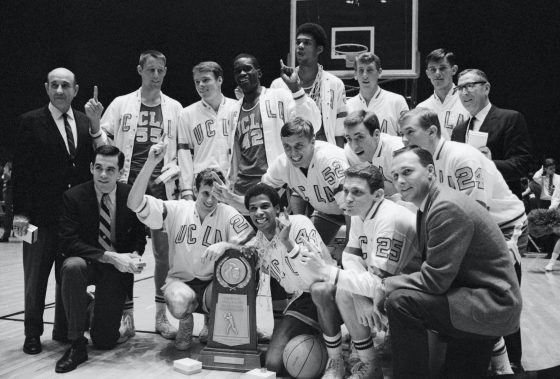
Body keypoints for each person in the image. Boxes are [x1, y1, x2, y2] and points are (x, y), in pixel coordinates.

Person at [370, 146, 520, 378]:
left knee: (401, 301)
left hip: (490, 305)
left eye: (407, 171)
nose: (400, 180)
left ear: (431, 171)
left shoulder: (445, 207)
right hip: (475, 297)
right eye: (396, 175)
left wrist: (385, 284)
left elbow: (435, 280)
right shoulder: (431, 204)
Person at [400, 108, 528, 372]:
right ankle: (480, 355)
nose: (404, 140)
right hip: (468, 226)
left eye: (409, 132)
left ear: (432, 131)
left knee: (498, 292)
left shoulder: (461, 156)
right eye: (402, 133)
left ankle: (511, 363)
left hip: (504, 226)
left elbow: (477, 211)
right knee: (464, 293)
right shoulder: (427, 163)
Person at [86, 50, 183, 341]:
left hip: (162, 191)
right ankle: (127, 317)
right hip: (127, 188)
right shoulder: (120, 104)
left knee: (163, 255)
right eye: (150, 70)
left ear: (165, 72)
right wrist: (94, 121)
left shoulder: (176, 108)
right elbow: (102, 146)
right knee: (127, 254)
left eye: (161, 70)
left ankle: (160, 316)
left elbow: (181, 150)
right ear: (140, 70)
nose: (156, 75)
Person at [127, 142, 254, 350]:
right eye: (205, 193)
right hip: (181, 282)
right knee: (179, 301)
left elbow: (251, 241)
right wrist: (151, 163)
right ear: (195, 189)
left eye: (216, 194)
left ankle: (211, 321)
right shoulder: (177, 209)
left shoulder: (227, 212)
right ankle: (186, 321)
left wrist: (226, 244)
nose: (210, 200)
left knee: (237, 280)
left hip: (213, 284)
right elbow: (134, 203)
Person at [12, 67, 101, 355]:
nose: (60, 90)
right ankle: (32, 334)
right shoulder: (30, 122)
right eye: (54, 85)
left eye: (66, 85)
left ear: (76, 90)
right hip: (37, 219)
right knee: (34, 280)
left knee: (69, 278)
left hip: (72, 223)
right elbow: (20, 175)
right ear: (46, 88)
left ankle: (63, 331)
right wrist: (19, 222)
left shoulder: (86, 122)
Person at [302, 164, 420, 379]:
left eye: (356, 192)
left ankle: (378, 357)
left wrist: (325, 270)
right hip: (390, 283)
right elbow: (350, 256)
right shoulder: (360, 212)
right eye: (346, 190)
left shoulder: (389, 219)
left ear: (378, 195)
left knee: (342, 285)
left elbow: (379, 283)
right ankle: (369, 363)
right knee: (345, 292)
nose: (347, 198)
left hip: (415, 289)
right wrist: (359, 296)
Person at [56, 145, 147, 373]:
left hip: (115, 270)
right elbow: (68, 241)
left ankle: (95, 310)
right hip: (86, 262)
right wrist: (107, 256)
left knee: (105, 341)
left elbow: (139, 237)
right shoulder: (73, 196)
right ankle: (77, 344)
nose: (103, 174)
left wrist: (135, 256)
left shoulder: (131, 197)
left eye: (109, 169)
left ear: (119, 171)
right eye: (98, 168)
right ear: (91, 168)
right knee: (72, 265)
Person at [240, 183, 335, 375]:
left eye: (264, 206)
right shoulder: (258, 243)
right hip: (302, 301)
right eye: (253, 208)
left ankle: (336, 357)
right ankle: (318, 338)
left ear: (277, 209)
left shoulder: (299, 223)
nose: (258, 212)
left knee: (320, 290)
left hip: (330, 291)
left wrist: (287, 243)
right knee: (273, 364)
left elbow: (318, 274)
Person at [217, 53, 320, 201]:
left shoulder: (279, 96)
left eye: (247, 69)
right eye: (238, 71)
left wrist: (296, 88)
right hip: (241, 189)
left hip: (277, 186)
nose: (242, 73)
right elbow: (229, 155)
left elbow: (311, 125)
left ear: (259, 73)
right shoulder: (232, 112)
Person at [260, 117, 348, 245]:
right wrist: (231, 198)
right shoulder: (283, 163)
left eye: (298, 146)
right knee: (306, 249)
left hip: (360, 211)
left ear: (312, 141)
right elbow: (258, 195)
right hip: (327, 213)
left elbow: (353, 207)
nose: (293, 153)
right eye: (287, 147)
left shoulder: (328, 161)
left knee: (353, 255)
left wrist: (349, 247)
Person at [451, 69, 533, 198]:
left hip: (502, 206)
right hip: (467, 207)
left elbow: (522, 164)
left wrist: (488, 164)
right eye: (460, 88)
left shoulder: (510, 118)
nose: (464, 92)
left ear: (486, 88)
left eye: (470, 86)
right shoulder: (458, 131)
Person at [271, 22, 347, 147]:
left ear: (319, 49)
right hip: (292, 156)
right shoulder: (278, 85)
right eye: (298, 42)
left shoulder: (335, 84)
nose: (300, 46)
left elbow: (339, 133)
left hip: (324, 155)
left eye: (306, 43)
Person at [177, 61, 238, 198]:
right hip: (202, 185)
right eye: (197, 82)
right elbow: (184, 155)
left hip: (234, 184)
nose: (200, 85)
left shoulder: (237, 108)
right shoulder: (186, 114)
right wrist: (186, 190)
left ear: (220, 80)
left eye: (205, 80)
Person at [344, 110, 404, 198]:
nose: (354, 146)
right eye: (349, 139)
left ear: (376, 134)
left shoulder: (398, 150)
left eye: (360, 137)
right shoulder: (349, 152)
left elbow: (412, 191)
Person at [346, 52, 409, 136]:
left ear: (379, 72)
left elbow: (407, 138)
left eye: (369, 70)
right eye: (361, 70)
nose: (365, 75)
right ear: (355, 74)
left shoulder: (397, 101)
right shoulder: (347, 105)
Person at [416, 48, 469, 137]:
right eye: (432, 69)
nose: (437, 73)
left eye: (442, 68)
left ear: (454, 70)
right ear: (427, 73)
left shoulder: (468, 101)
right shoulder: (421, 108)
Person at [1, 161, 13, 242]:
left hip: (11, 188)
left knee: (9, 213)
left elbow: (6, 176)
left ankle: (6, 234)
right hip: (16, 188)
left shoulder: (8, 164)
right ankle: (20, 233)